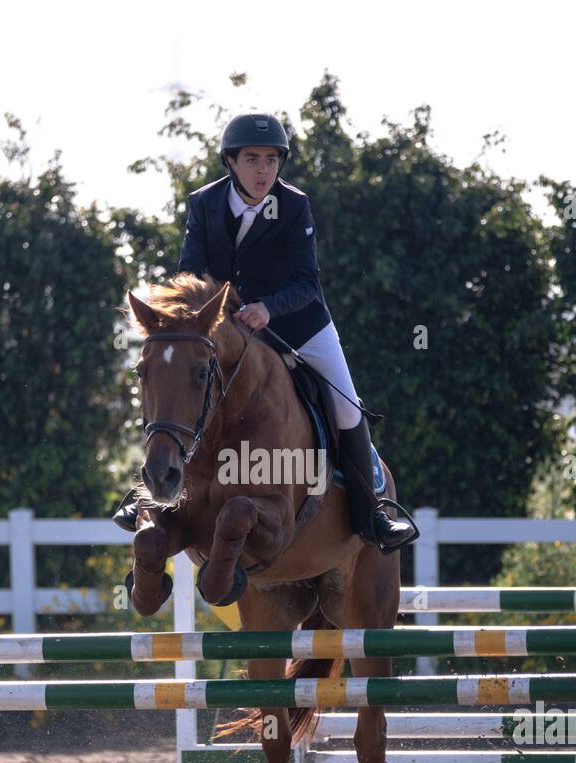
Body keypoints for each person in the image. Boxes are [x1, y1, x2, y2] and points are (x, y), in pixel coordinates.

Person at [113, 112, 416, 552]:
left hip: (298, 324)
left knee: (348, 408)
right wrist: (198, 314)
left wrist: (267, 309)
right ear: (231, 163)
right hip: (225, 325)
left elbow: (307, 282)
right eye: (252, 159)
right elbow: (190, 272)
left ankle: (372, 514)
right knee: (179, 385)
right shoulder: (204, 203)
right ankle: (148, 491)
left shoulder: (294, 206)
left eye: (271, 160)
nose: (263, 170)